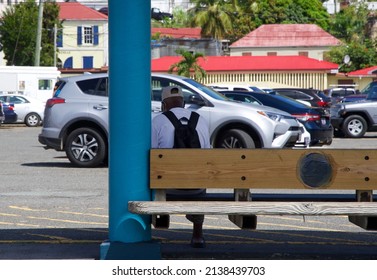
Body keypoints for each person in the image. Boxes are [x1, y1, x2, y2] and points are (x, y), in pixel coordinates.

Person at [152, 85, 210, 248]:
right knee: (201, 176)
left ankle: (162, 217)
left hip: (167, 187)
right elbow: (208, 154)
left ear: (164, 104)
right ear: (183, 103)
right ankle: (197, 234)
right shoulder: (201, 120)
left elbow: (151, 153)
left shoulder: (158, 120)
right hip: (196, 187)